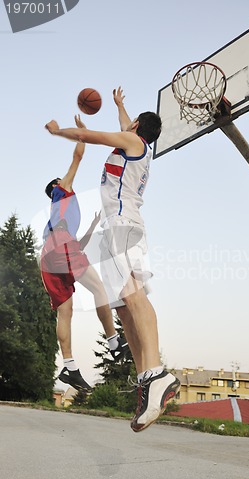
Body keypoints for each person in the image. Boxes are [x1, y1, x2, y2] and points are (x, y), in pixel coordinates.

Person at [45, 88, 181, 432]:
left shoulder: (131, 142)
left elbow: (90, 135)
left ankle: (156, 373)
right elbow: (125, 126)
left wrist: (60, 130)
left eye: (129, 123)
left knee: (133, 294)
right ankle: (145, 380)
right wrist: (121, 105)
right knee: (122, 306)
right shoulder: (138, 144)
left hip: (123, 227)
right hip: (114, 230)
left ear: (136, 127)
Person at [41, 114, 128, 393]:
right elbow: (77, 159)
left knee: (64, 313)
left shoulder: (58, 214)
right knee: (99, 289)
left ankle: (69, 367)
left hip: (49, 256)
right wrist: (81, 132)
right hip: (63, 248)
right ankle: (114, 342)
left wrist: (90, 226)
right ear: (57, 185)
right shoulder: (62, 190)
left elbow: (72, 245)